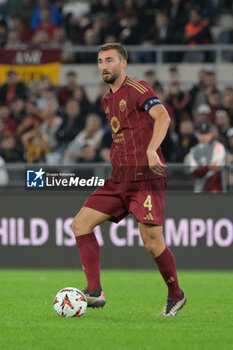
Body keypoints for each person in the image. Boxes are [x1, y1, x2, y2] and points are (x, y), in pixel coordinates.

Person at [72, 43, 186, 317]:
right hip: (119, 179)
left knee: (151, 242)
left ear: (123, 63)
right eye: (100, 61)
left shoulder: (138, 88)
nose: (104, 66)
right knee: (80, 224)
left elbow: (163, 116)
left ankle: (176, 295)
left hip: (145, 178)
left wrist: (150, 150)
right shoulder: (106, 100)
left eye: (109, 60)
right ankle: (95, 292)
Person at [184, 122, 226, 193]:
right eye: (201, 134)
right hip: (199, 188)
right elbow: (195, 172)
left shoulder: (218, 146)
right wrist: (208, 167)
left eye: (206, 134)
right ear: (197, 135)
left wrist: (203, 169)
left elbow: (217, 167)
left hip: (216, 188)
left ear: (211, 134)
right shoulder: (193, 150)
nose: (204, 137)